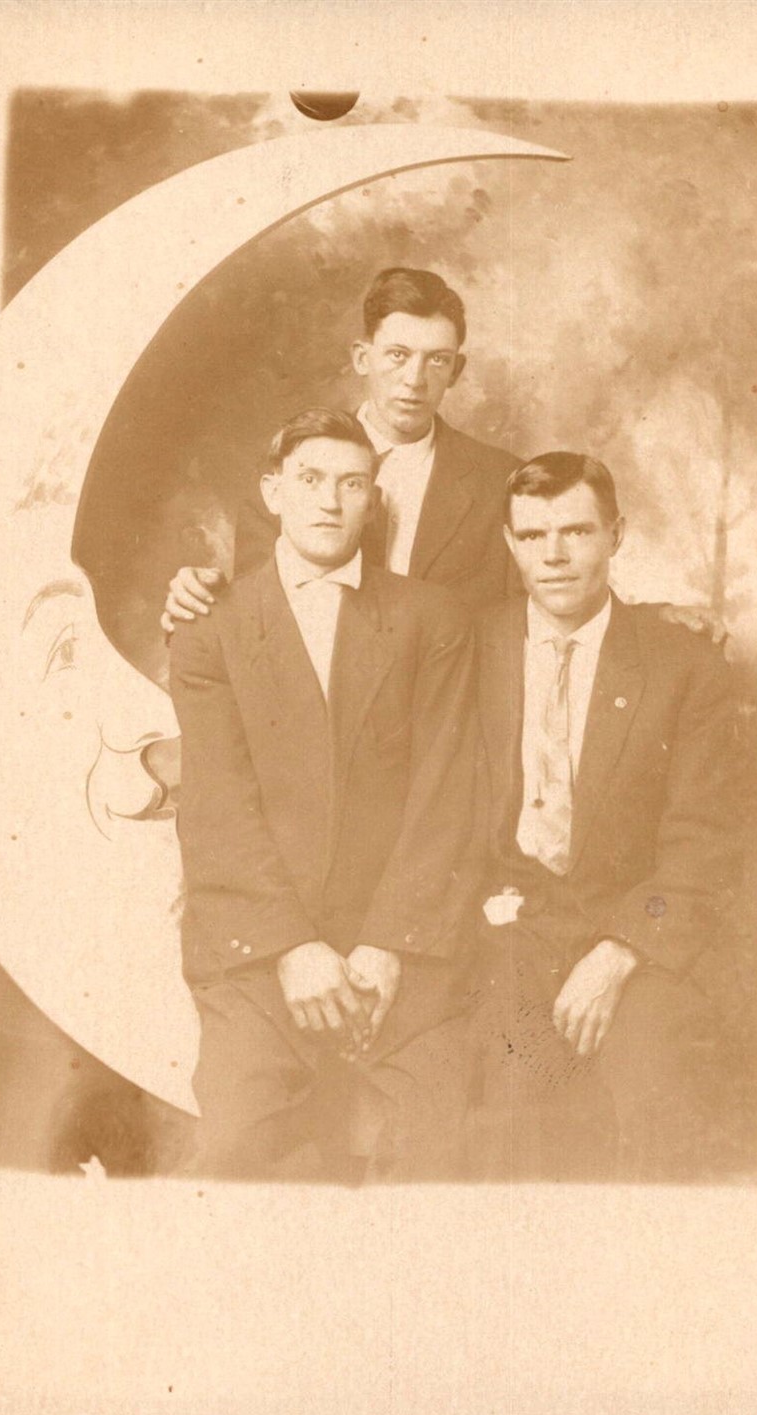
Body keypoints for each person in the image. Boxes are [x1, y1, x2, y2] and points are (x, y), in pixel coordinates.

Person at [167, 408, 480, 1183]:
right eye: (309, 480)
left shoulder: (429, 617)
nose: (330, 502)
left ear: (374, 501)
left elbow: (447, 793)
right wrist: (292, 951)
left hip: (398, 950)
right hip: (263, 951)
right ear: (273, 492)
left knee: (438, 1158)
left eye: (352, 483)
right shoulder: (211, 629)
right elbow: (217, 806)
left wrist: (388, 943)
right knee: (238, 1148)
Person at [470, 451, 757, 1182]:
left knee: (653, 1097)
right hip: (515, 934)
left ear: (616, 535)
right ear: (509, 544)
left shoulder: (682, 664)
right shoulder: (468, 646)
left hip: (640, 934)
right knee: (507, 1116)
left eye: (576, 531)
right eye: (532, 537)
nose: (555, 555)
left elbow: (706, 845)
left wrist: (618, 952)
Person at [161, 265, 522, 626]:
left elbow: (521, 624)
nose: (415, 380)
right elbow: (258, 611)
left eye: (437, 360)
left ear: (456, 370)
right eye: (398, 355)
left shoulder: (500, 480)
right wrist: (202, 594)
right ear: (362, 358)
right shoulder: (291, 462)